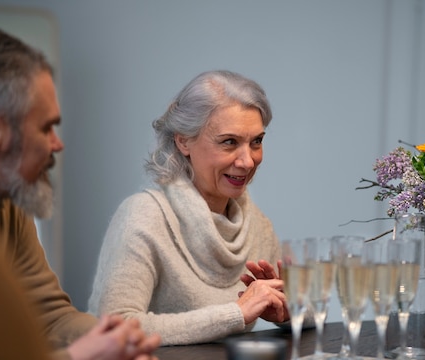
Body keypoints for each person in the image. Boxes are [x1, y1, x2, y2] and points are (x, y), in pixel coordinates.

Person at [0, 28, 160, 360]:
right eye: (46, 127)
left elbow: (49, 317)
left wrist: (113, 340)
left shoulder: (5, 202)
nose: (58, 143)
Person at [88, 70, 289, 345]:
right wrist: (235, 314)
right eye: (229, 142)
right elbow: (116, 325)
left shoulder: (257, 225)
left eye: (256, 141)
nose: (247, 161)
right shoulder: (143, 215)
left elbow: (304, 310)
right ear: (183, 141)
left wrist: (287, 312)